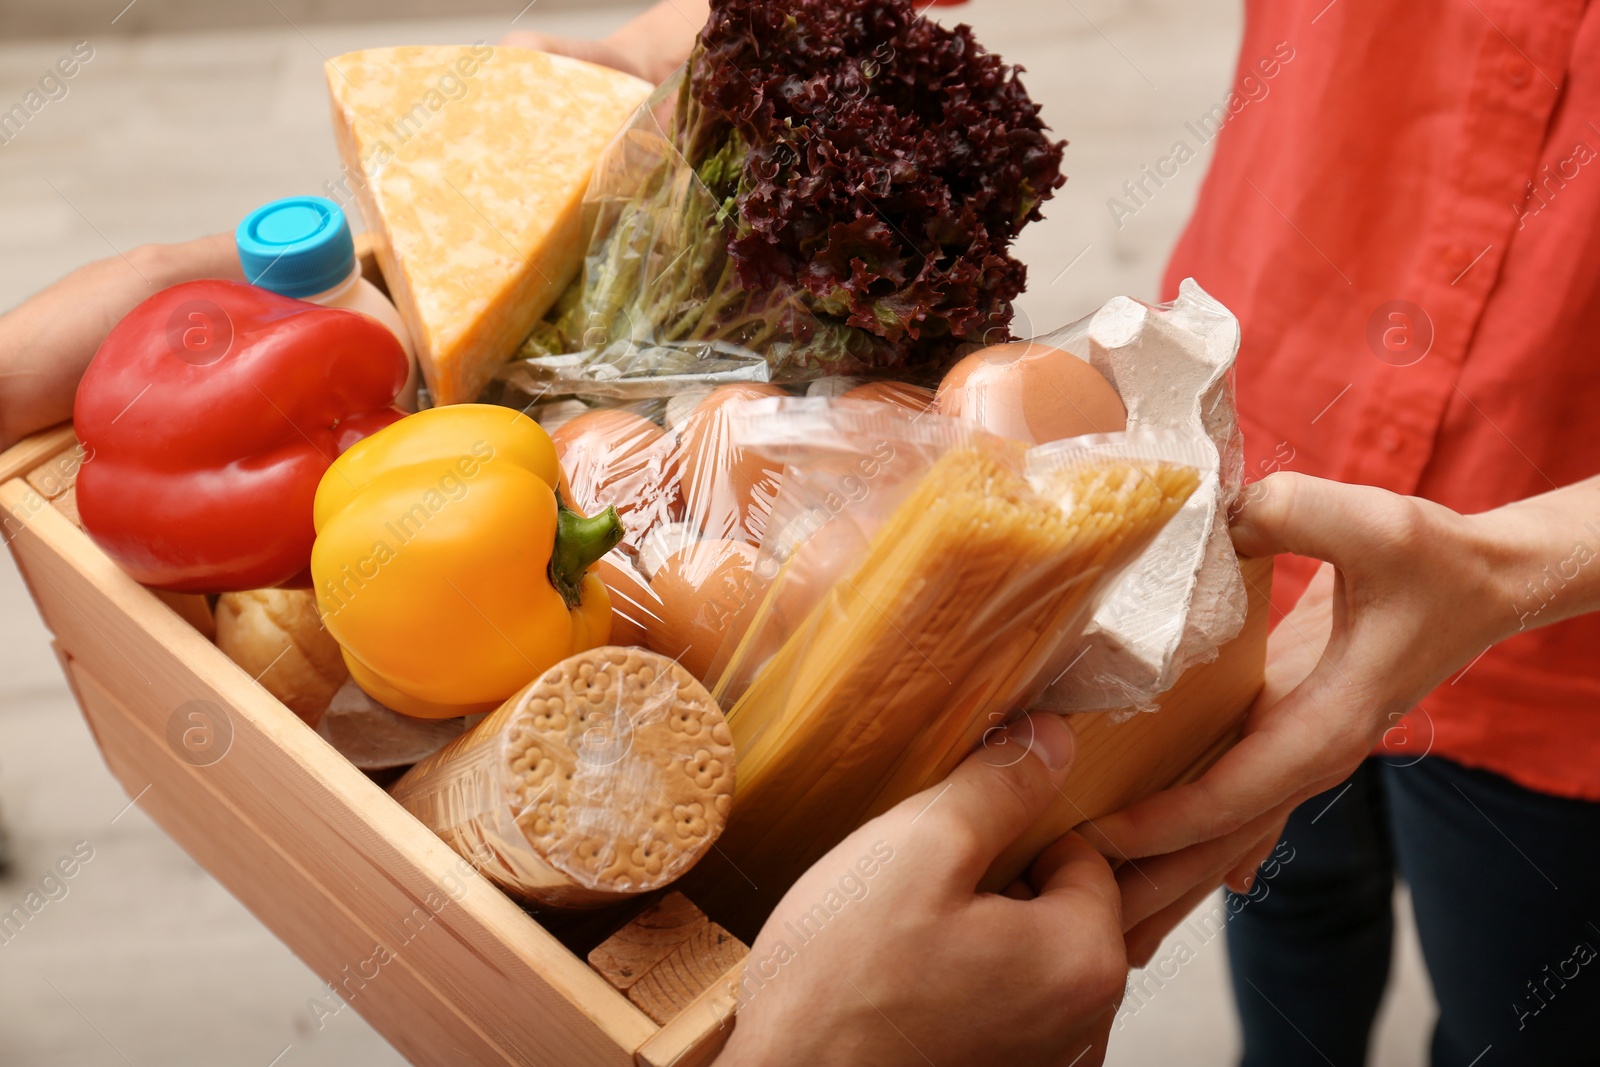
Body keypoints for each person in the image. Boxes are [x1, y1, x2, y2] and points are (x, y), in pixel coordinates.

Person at [6, 4, 1600, 1066]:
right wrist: (649, 70)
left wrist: (1525, 568)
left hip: (1553, 640)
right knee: (1284, 905)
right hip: (1264, 415)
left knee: (1513, 989)